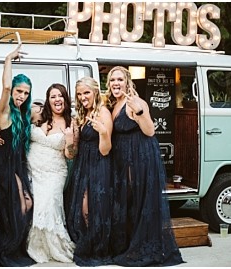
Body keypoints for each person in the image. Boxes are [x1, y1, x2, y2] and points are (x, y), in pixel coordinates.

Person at [105, 66, 184, 266]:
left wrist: (139, 110)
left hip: (138, 156)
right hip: (123, 157)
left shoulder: (135, 102)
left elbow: (150, 131)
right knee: (129, 202)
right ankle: (130, 243)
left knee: (138, 201)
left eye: (120, 80)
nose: (116, 83)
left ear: (127, 82)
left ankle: (141, 246)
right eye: (112, 80)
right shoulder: (115, 104)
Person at [65, 76, 114, 266]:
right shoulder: (84, 113)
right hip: (83, 163)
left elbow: (105, 149)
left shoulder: (103, 112)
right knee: (81, 204)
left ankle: (96, 245)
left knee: (91, 206)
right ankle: (87, 241)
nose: (83, 97)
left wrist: (102, 131)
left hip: (98, 163)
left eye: (86, 92)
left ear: (95, 92)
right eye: (79, 94)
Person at [26, 83, 77, 263]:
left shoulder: (72, 122)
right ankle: (36, 246)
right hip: (32, 172)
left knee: (48, 206)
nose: (57, 99)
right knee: (36, 207)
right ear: (48, 100)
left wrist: (70, 140)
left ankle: (54, 248)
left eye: (60, 96)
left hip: (54, 173)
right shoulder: (38, 114)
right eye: (53, 96)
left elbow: (70, 155)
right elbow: (14, 120)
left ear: (65, 99)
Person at [0, 44, 35, 266]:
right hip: (5, 166)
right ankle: (8, 247)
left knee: (25, 204)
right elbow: (6, 87)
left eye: (26, 92)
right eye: (20, 91)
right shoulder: (5, 110)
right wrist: (8, 58)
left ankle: (14, 244)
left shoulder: (24, 113)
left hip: (17, 164)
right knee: (21, 204)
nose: (21, 95)